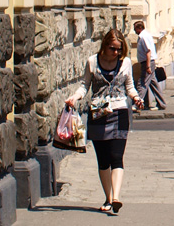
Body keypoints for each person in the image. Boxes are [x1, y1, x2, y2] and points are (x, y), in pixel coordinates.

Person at [66, 29, 143, 214]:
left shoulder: (124, 63)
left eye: (119, 49)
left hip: (120, 112)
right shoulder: (93, 62)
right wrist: (75, 97)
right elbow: (85, 85)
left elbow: (129, 86)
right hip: (98, 113)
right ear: (104, 46)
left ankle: (116, 198)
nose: (116, 53)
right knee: (103, 160)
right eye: (112, 49)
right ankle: (108, 199)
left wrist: (136, 97)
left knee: (117, 156)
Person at [132, 21, 165, 111]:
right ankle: (162, 103)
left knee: (142, 83)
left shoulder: (143, 36)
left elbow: (148, 51)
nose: (134, 31)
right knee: (153, 84)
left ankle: (137, 104)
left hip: (147, 62)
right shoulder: (146, 35)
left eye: (135, 29)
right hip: (149, 62)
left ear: (139, 28)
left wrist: (147, 66)